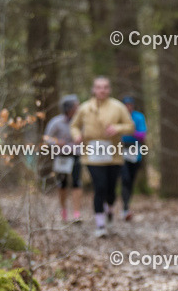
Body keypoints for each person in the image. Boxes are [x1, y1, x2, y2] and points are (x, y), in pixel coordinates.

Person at [70, 76, 134, 237]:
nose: (102, 90)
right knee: (99, 187)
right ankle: (100, 225)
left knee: (111, 189)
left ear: (109, 89)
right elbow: (74, 126)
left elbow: (130, 126)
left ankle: (109, 209)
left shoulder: (118, 107)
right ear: (94, 89)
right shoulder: (85, 108)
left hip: (113, 154)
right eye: (99, 87)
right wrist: (77, 136)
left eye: (105, 87)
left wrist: (117, 128)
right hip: (91, 153)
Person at [44, 94, 83, 223]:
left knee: (77, 183)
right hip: (61, 157)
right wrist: (56, 142)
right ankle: (63, 212)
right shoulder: (56, 122)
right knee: (62, 184)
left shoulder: (80, 123)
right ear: (69, 108)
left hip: (76, 155)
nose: (78, 108)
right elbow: (47, 138)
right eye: (76, 106)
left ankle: (76, 213)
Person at [119, 96, 147, 221]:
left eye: (130, 105)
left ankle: (127, 205)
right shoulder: (118, 117)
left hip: (135, 151)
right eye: (126, 105)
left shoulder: (138, 117)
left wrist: (130, 131)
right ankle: (125, 208)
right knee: (124, 178)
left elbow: (142, 135)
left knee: (130, 180)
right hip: (120, 150)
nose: (128, 107)